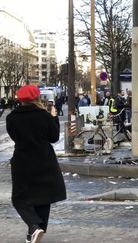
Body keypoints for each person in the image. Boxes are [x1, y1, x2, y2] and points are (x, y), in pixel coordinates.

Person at [6, 85, 66, 243]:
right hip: (44, 160)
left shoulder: (12, 117)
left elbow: (15, 137)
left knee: (19, 199)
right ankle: (36, 229)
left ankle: (33, 228)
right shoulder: (44, 115)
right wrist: (54, 117)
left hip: (22, 161)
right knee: (43, 197)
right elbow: (53, 137)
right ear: (37, 98)